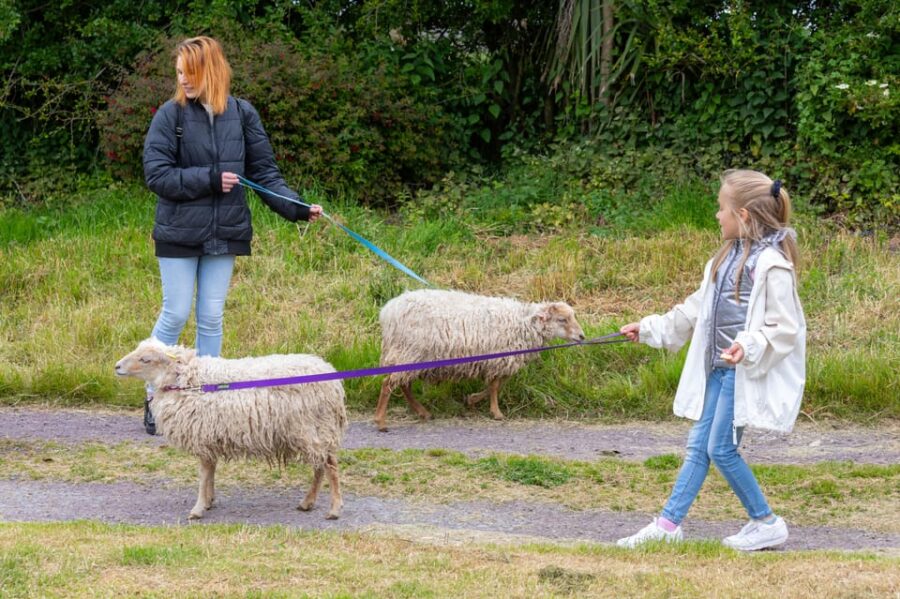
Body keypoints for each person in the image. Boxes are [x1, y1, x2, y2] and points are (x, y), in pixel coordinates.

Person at [616, 169, 806, 551]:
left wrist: (748, 346)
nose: (717, 216)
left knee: (719, 449)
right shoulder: (724, 259)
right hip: (717, 370)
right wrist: (651, 328)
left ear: (744, 216)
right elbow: (695, 310)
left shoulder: (772, 266)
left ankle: (766, 521)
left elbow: (785, 327)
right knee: (699, 447)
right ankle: (668, 526)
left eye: (722, 208)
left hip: (742, 371)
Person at [140, 36, 322, 434]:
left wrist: (297, 208)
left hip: (226, 232)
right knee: (175, 312)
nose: (183, 81)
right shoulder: (169, 117)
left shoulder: (242, 114)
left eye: (190, 73)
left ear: (212, 71)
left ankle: (207, 402)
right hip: (178, 233)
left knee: (211, 317)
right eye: (179, 74)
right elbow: (156, 175)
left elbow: (265, 174)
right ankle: (156, 399)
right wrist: (208, 178)